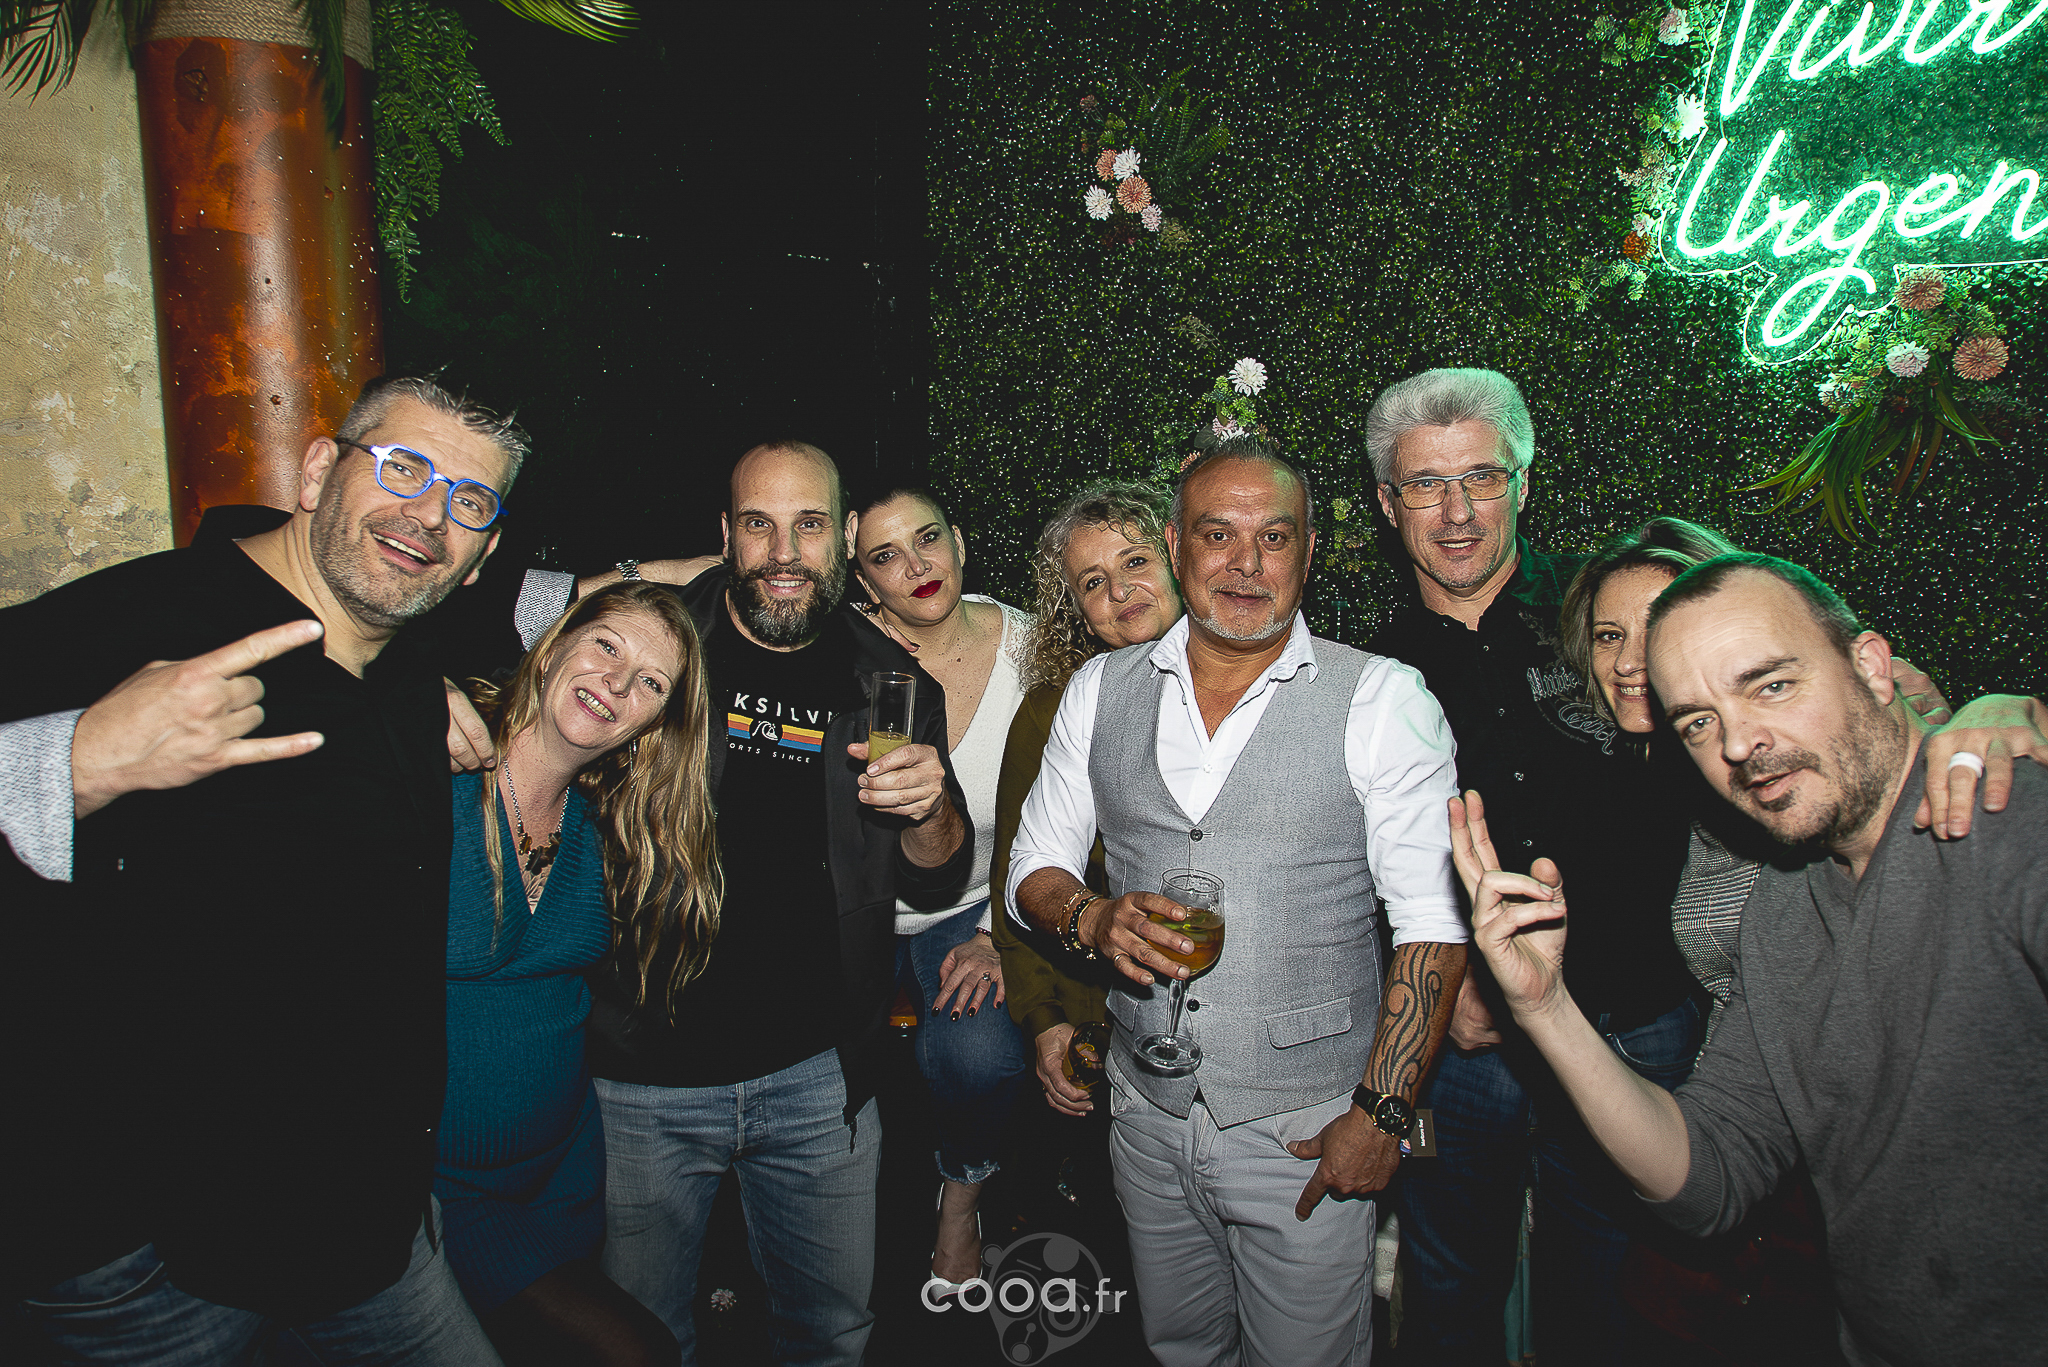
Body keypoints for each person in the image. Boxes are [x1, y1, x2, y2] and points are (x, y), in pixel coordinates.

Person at [4, 375, 523, 1362]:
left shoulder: (404, 661)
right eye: (404, 468)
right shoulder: (135, 623)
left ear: (481, 556)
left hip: (369, 1236)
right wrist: (75, 760)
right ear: (319, 470)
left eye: (469, 501)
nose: (428, 515)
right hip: (151, 1271)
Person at [1452, 553, 2048, 1366]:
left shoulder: (2003, 826)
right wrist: (1544, 1006)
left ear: (1874, 666)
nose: (1739, 742)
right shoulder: (1784, 909)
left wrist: (2010, 707)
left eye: (1771, 685)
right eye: (1698, 720)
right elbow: (1707, 1176)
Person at [500, 441, 972, 1365]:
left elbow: (933, 872)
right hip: (641, 1071)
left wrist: (931, 807)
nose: (784, 553)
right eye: (759, 524)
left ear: (844, 534)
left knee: (830, 1331)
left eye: (808, 525)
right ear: (725, 535)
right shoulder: (661, 638)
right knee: (640, 1339)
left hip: (819, 1075)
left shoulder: (891, 680)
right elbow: (510, 610)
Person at [1009, 440, 1467, 1366]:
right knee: (1178, 1346)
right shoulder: (1098, 690)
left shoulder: (1383, 699)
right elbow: (1033, 867)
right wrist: (1091, 917)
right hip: (1144, 1112)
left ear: (1309, 551)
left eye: (1275, 537)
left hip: (1307, 1128)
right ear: (1178, 543)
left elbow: (1432, 927)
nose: (1246, 563)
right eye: (1219, 534)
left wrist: (1381, 1115)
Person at [1362, 368, 1721, 1366]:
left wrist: (1963, 708)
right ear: (1388, 504)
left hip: (1633, 1022)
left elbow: (1770, 674)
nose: (1456, 511)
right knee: (1448, 1295)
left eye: (1480, 476)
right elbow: (1352, 862)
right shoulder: (1366, 669)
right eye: (1425, 484)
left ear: (1521, 481)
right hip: (1465, 1044)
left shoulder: (1611, 611)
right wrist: (1441, 988)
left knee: (1610, 1303)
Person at [437, 582, 722, 1367]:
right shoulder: (439, 764)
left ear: (654, 722)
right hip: (440, 1186)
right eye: (606, 645)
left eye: (651, 682)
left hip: (562, 1172)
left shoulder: (608, 824)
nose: (618, 682)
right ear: (555, 640)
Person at [848, 486, 1033, 1292]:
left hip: (971, 907)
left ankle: (962, 1197)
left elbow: (1066, 808)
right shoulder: (838, 652)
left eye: (927, 539)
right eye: (884, 556)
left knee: (980, 1053)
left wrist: (999, 931)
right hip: (852, 912)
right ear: (861, 579)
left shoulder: (1034, 648)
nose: (916, 566)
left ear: (959, 539)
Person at [991, 481, 1183, 1127]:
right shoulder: (1052, 710)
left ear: (1178, 558)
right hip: (1094, 999)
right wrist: (1045, 1021)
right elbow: (1019, 871)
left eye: (1136, 561)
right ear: (1076, 609)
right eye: (1094, 582)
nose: (1121, 590)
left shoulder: (1258, 681)